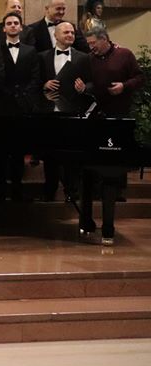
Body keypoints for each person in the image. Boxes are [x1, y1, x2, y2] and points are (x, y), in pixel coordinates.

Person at [79, 27, 145, 245]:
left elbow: (140, 78)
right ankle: (87, 217)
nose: (91, 47)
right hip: (96, 119)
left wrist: (123, 86)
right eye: (88, 44)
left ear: (105, 39)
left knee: (114, 164)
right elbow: (92, 83)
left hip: (119, 118)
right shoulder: (90, 59)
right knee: (93, 164)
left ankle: (113, 203)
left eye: (93, 43)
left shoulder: (124, 54)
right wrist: (84, 88)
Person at [39, 22, 94, 204]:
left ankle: (72, 191)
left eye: (72, 32)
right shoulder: (42, 57)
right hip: (50, 111)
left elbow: (92, 82)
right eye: (66, 32)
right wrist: (44, 84)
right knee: (50, 154)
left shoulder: (83, 57)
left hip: (73, 112)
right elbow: (35, 81)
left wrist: (84, 88)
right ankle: (50, 190)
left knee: (72, 154)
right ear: (56, 35)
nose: (70, 35)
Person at [0, 11, 40, 202]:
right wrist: (6, 93)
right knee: (0, 150)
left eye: (16, 23)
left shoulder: (30, 51)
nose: (13, 25)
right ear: (4, 28)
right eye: (9, 23)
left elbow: (35, 77)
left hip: (23, 106)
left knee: (19, 150)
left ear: (21, 27)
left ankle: (17, 189)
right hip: (2, 106)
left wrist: (24, 95)